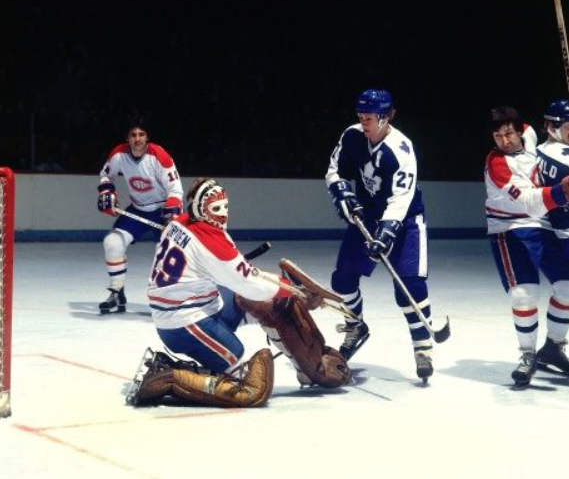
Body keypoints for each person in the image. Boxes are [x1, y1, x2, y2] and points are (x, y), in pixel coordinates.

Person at [127, 178, 349, 408]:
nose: (222, 214)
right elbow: (250, 282)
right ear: (199, 209)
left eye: (225, 207)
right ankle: (171, 376)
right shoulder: (209, 241)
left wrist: (289, 292)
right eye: (215, 209)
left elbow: (245, 276)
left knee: (273, 305)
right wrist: (294, 292)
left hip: (199, 305)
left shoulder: (181, 222)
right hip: (183, 324)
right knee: (250, 387)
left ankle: (307, 369)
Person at [325, 88, 437, 382]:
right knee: (343, 279)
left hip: (406, 219)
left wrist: (387, 233)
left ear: (386, 117)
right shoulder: (352, 136)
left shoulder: (401, 149)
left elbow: (401, 198)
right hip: (368, 215)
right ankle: (355, 326)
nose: (364, 121)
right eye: (361, 115)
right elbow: (334, 171)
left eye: (370, 117)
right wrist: (342, 194)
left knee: (410, 286)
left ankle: (422, 345)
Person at [484, 105, 569, 386]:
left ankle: (553, 348)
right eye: (498, 136)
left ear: (521, 131)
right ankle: (528, 354)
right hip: (510, 230)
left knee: (567, 287)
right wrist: (562, 190)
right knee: (524, 293)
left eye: (509, 134)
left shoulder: (531, 137)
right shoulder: (497, 164)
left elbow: (551, 132)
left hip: (541, 227)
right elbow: (531, 205)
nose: (505, 141)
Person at [97, 119, 183, 314]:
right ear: (127, 138)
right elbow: (105, 174)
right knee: (112, 243)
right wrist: (106, 192)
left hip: (162, 211)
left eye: (141, 135)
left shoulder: (159, 156)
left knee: (167, 254)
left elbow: (176, 189)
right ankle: (117, 292)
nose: (137, 139)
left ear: (147, 137)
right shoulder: (119, 154)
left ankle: (168, 299)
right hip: (136, 209)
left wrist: (171, 214)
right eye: (133, 135)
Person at [530, 99, 569, 376]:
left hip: (552, 234)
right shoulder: (560, 157)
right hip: (552, 236)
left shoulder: (538, 151)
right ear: (553, 128)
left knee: (566, 289)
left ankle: (551, 348)